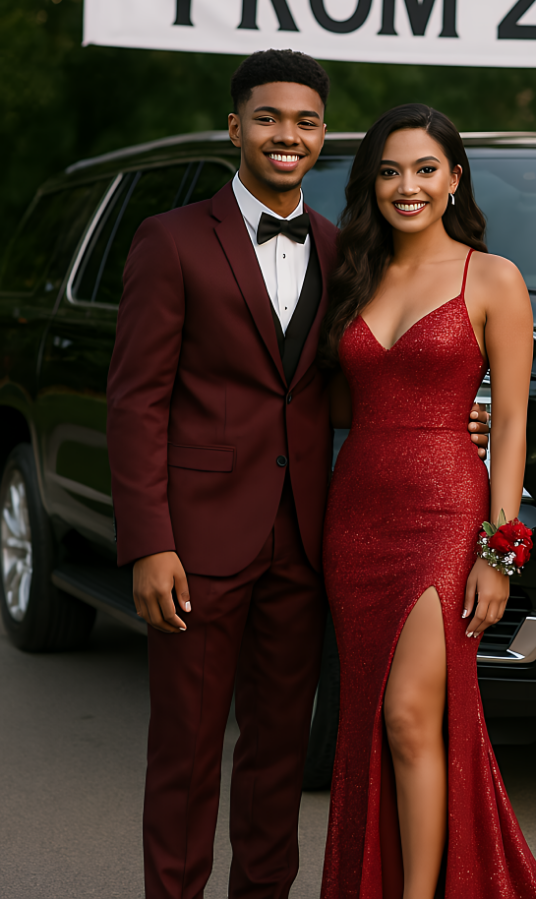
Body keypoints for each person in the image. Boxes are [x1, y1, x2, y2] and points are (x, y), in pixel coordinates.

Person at [106, 53, 489, 899]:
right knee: (186, 754)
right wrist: (149, 542)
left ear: (323, 136)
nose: (289, 135)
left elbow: (352, 383)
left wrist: (461, 410)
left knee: (278, 760)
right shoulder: (169, 240)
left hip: (309, 545)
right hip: (196, 543)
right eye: (271, 118)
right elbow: (135, 402)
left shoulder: (339, 249)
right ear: (236, 126)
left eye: (307, 121)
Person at [318, 103, 536, 899]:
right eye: (388, 171)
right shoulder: (355, 274)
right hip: (357, 514)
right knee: (370, 716)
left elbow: (511, 420)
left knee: (413, 714)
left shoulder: (493, 277)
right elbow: (340, 401)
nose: (406, 186)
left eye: (423, 169)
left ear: (454, 179)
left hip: (444, 510)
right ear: (371, 184)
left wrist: (497, 548)